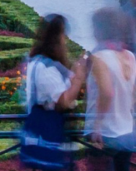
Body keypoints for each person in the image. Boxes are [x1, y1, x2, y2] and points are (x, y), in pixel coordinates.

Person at [22, 14, 89, 171]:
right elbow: (63, 100)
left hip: (43, 131)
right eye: (63, 34)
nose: (65, 40)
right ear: (56, 37)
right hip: (48, 133)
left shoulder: (39, 61)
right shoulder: (46, 68)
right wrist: (79, 79)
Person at [87, 6, 136, 171]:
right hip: (126, 129)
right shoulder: (130, 56)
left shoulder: (100, 58)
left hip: (107, 132)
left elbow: (107, 92)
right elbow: (133, 94)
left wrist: (96, 125)